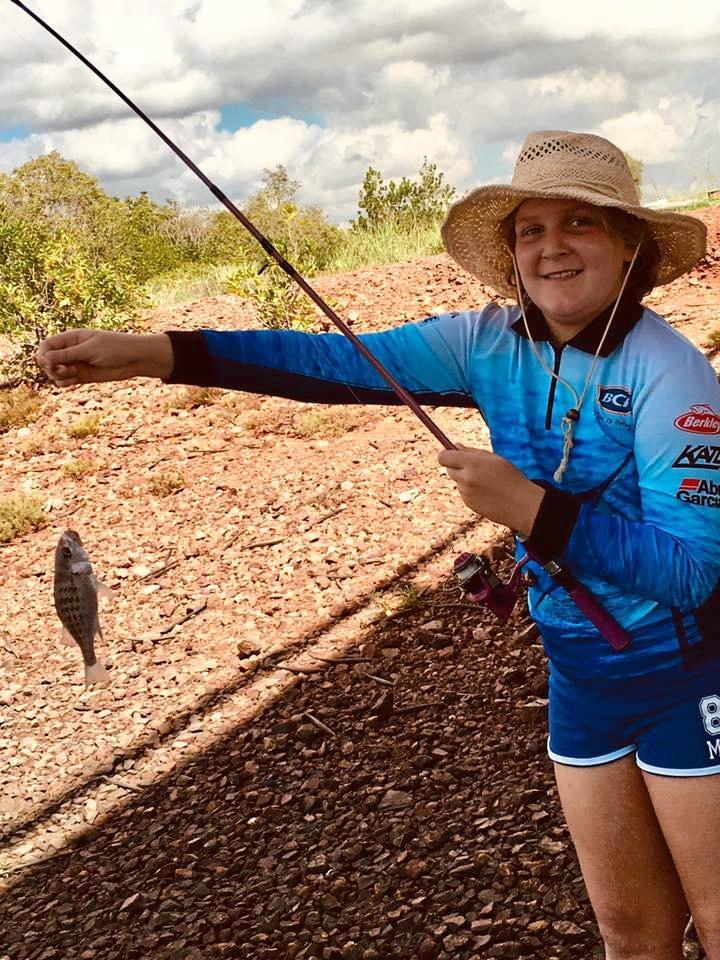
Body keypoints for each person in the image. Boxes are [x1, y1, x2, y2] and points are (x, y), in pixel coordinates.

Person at [38, 130, 720, 959]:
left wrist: (530, 509)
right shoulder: (485, 342)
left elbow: (692, 573)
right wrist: (158, 354)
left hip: (686, 673)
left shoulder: (673, 374)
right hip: (580, 675)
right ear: (511, 253)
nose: (552, 247)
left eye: (580, 223)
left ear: (627, 243)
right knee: (628, 932)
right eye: (530, 229)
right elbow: (333, 363)